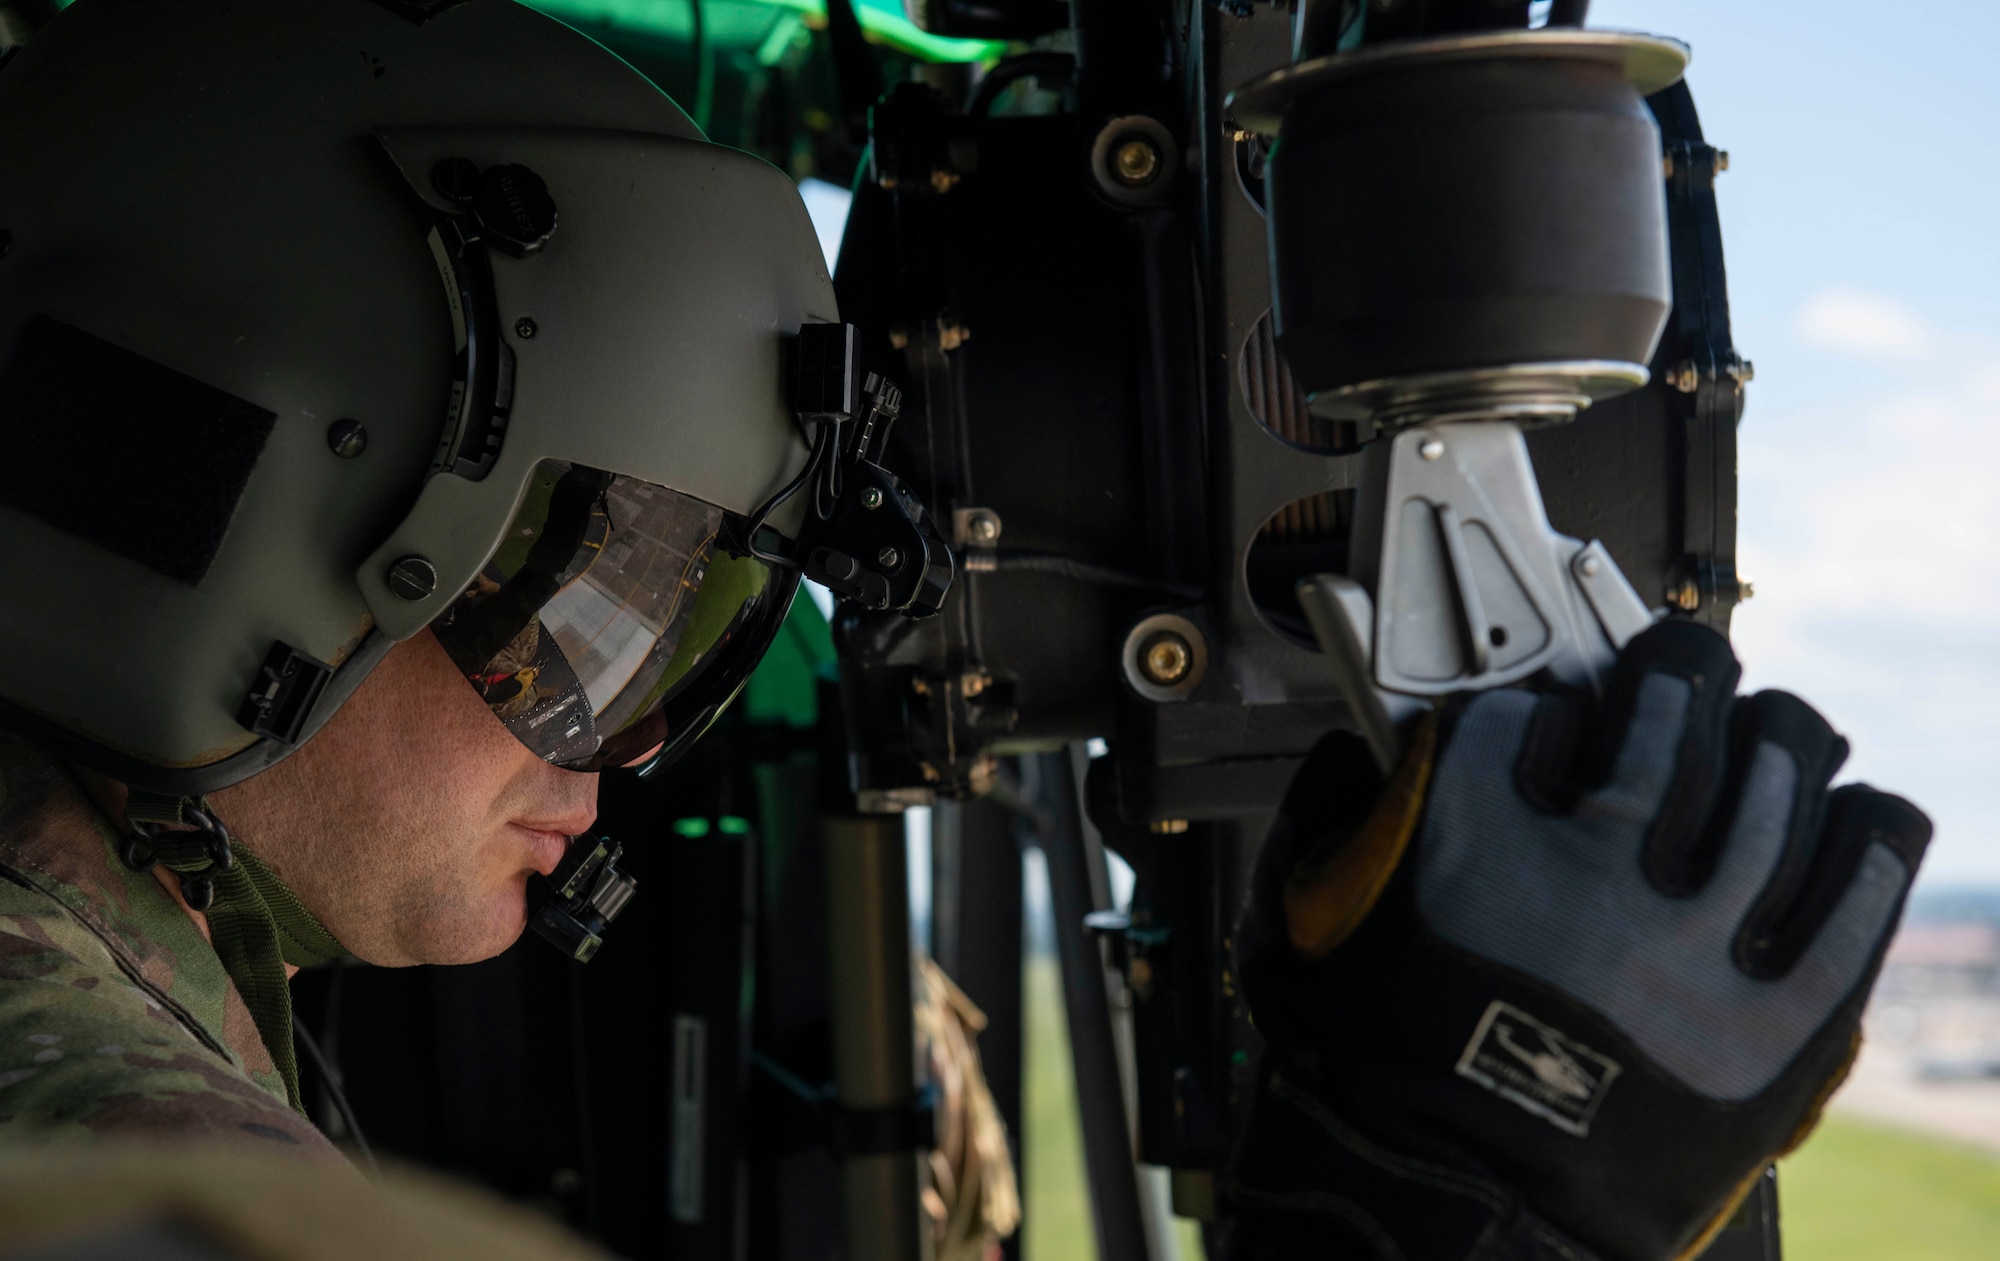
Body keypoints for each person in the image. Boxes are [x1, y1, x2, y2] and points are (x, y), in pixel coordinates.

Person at [0, 5, 1933, 1261]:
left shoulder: (145, 932)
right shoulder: (71, 1104)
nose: (621, 747)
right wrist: (1437, 1220)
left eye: (709, 628)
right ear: (201, 499)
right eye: (594, 619)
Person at [0, 0, 827, 1150]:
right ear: (245, 545)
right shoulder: (129, 1133)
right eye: (554, 625)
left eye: (653, 646)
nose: (620, 748)